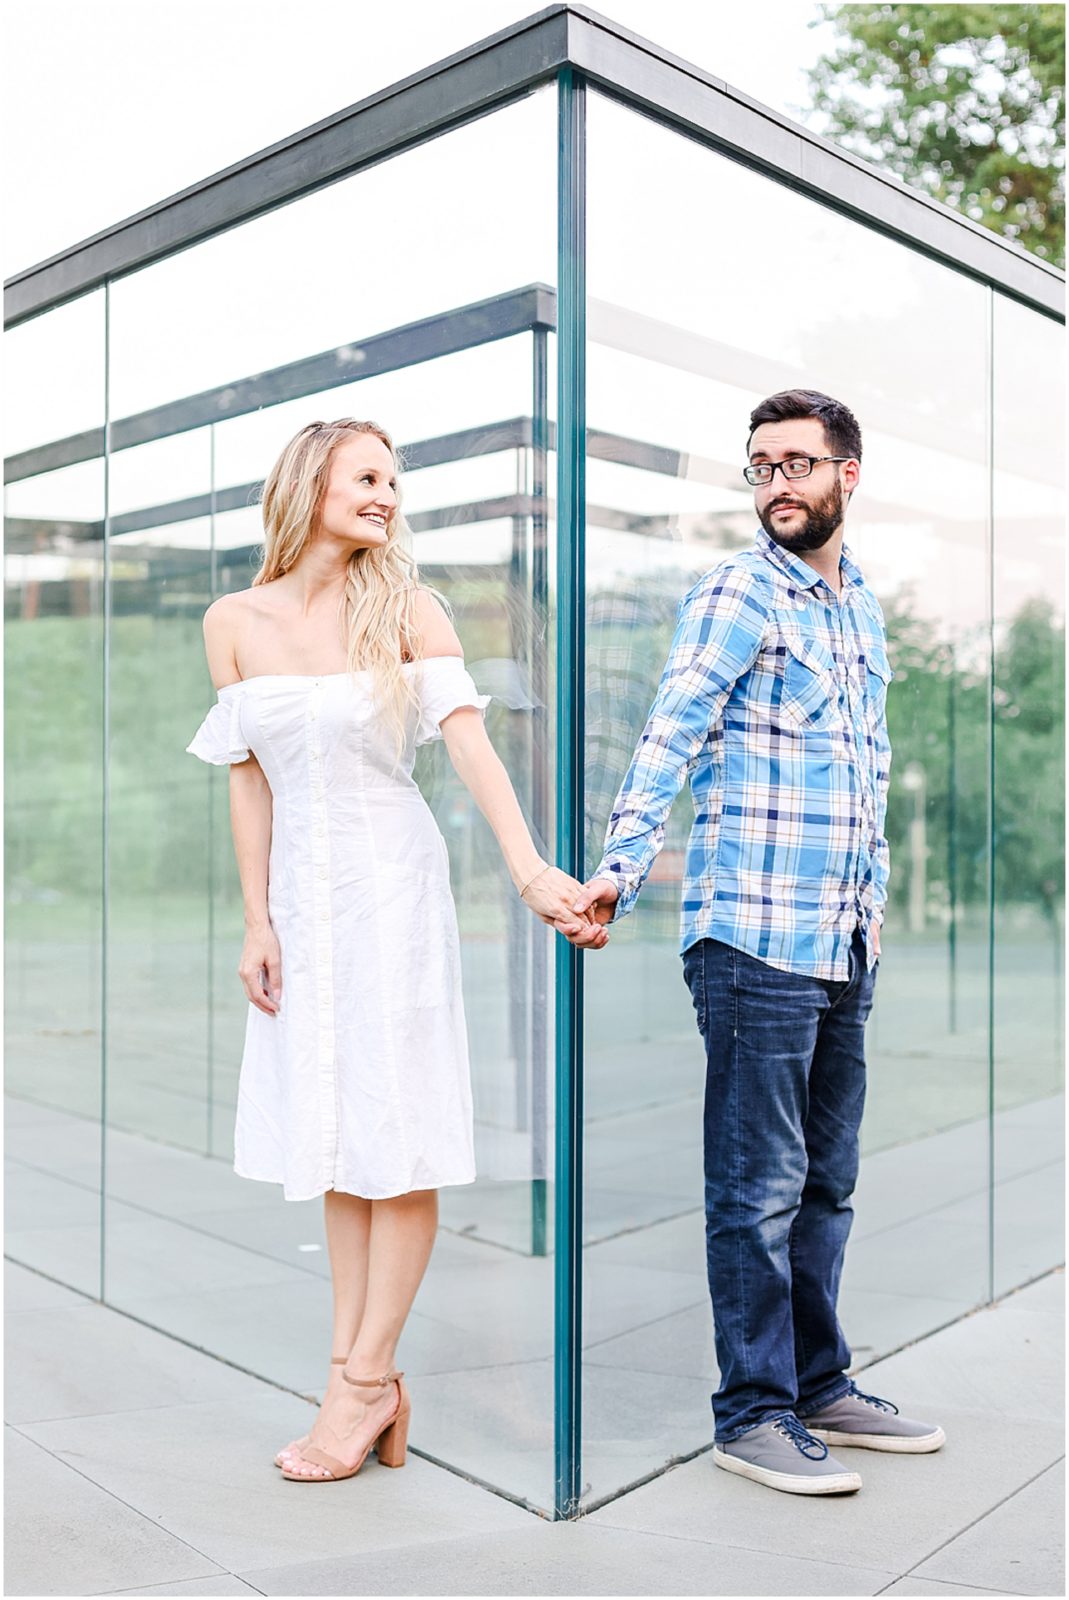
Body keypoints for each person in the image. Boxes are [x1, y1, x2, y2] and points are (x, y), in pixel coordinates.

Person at [186, 418, 606, 1485]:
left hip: (393, 892)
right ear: (310, 482)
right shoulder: (230, 621)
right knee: (335, 1136)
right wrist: (255, 918)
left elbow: (468, 746)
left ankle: (363, 1384)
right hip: (301, 904)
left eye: (392, 480)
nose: (386, 494)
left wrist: (528, 872)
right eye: (367, 476)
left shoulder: (408, 608)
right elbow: (247, 777)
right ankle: (354, 1373)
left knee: (397, 1129)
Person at [564, 390, 945, 1496]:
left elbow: (862, 777)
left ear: (846, 475)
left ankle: (819, 1383)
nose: (776, 482)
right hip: (754, 937)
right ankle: (752, 1411)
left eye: (796, 463)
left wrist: (871, 912)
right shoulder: (737, 591)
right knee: (759, 1186)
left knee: (826, 1182)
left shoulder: (859, 606)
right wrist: (618, 870)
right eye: (759, 466)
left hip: (841, 937)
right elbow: (670, 731)